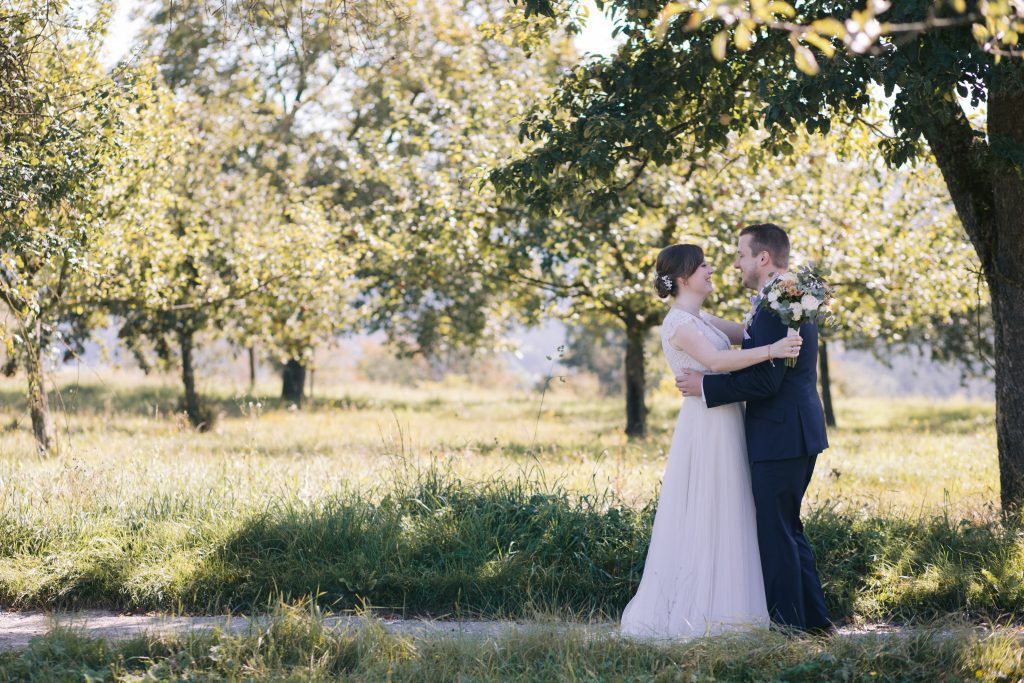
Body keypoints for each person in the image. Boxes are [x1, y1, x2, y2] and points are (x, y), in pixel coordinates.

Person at [619, 242, 802, 639]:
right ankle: (702, 610)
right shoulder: (678, 324)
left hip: (726, 420)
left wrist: (792, 300)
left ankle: (732, 604)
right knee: (708, 509)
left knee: (731, 508)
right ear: (684, 277)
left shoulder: (700, 318)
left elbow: (748, 332)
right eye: (703, 266)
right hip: (706, 426)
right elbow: (719, 362)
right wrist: (774, 350)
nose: (712, 269)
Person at [675, 223, 832, 634]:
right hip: (792, 429)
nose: (736, 262)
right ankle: (814, 625)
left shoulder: (781, 300)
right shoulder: (785, 296)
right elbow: (755, 345)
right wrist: (703, 320)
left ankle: (788, 629)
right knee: (788, 529)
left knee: (775, 534)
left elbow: (767, 379)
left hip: (780, 433)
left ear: (763, 258)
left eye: (741, 254)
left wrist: (706, 386)